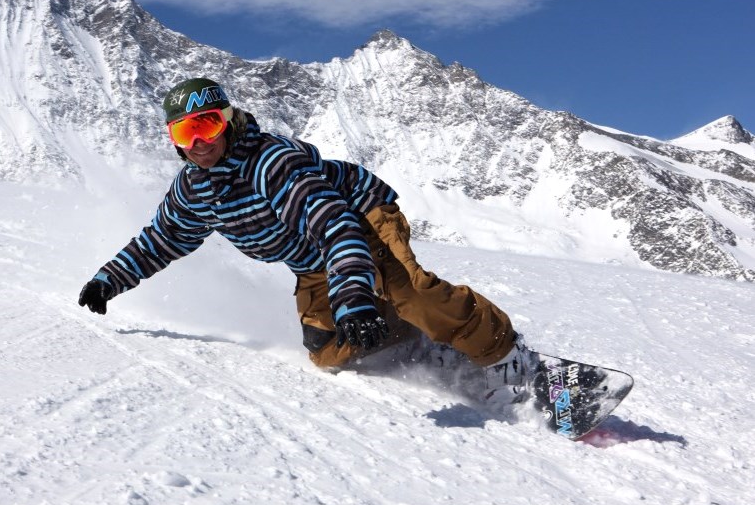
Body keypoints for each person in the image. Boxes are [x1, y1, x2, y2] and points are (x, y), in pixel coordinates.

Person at [78, 77, 534, 390]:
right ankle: (415, 334)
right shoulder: (192, 190)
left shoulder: (271, 163)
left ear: (229, 121)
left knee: (413, 294)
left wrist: (352, 297)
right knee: (327, 350)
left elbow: (335, 227)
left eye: (207, 125)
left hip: (361, 221)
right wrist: (108, 280)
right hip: (313, 260)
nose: (199, 143)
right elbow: (163, 238)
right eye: (184, 132)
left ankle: (508, 358)